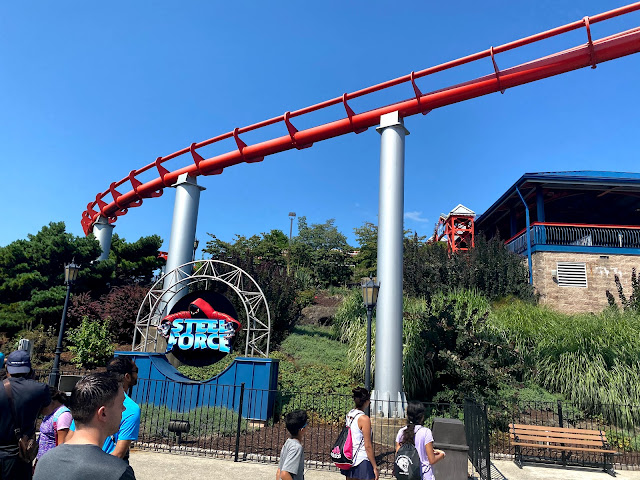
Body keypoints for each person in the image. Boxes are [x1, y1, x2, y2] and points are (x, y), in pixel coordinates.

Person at [33, 372, 135, 480]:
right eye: (121, 404)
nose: (124, 409)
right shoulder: (118, 472)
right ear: (103, 413)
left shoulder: (45, 462)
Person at [0, 350, 51, 480]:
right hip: (21, 453)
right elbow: (46, 411)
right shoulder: (40, 389)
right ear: (29, 368)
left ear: (7, 368)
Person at [395, 401, 445, 480]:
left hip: (407, 476)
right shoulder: (426, 432)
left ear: (407, 415)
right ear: (422, 416)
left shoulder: (401, 432)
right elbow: (431, 460)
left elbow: (398, 455)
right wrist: (442, 455)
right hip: (424, 475)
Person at [103, 357, 141, 462]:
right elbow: (118, 454)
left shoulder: (90, 396)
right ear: (127, 376)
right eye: (136, 371)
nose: (137, 375)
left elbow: (70, 438)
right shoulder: (131, 409)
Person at [341, 387, 379, 480]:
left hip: (349, 457)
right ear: (366, 401)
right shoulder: (364, 419)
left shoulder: (350, 414)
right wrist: (374, 466)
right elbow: (368, 446)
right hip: (361, 459)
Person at [35, 387, 72, 464]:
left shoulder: (63, 416)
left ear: (51, 401)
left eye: (42, 405)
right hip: (42, 460)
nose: (39, 409)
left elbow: (62, 446)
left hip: (52, 463)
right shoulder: (50, 414)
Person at [276, 409, 308, 480]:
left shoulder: (288, 442)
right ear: (302, 430)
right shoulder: (296, 448)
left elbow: (279, 472)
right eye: (307, 423)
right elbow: (284, 474)